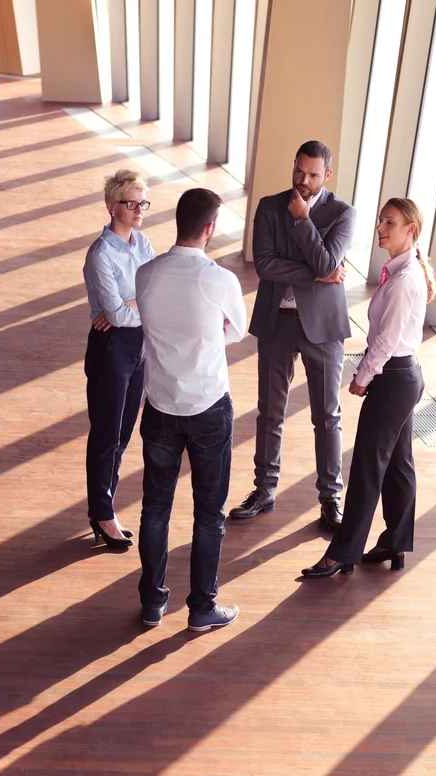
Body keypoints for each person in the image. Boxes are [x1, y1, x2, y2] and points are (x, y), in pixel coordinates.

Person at [301, 197, 436, 578]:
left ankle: (342, 553)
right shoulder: (401, 271)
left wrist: (362, 377)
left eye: (390, 222)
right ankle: (395, 542)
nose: (380, 228)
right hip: (403, 376)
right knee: (397, 463)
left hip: (393, 379)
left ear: (410, 229)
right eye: (381, 221)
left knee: (366, 466)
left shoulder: (404, 280)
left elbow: (386, 341)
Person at [135, 188, 247, 631]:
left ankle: (151, 603)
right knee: (208, 514)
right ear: (210, 228)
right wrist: (209, 327)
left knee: (155, 508)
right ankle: (202, 608)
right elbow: (236, 330)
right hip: (208, 407)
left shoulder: (146, 274)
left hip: (160, 404)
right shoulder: (220, 280)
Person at [229, 140, 356, 530]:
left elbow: (327, 263)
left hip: (323, 328)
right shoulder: (269, 206)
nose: (303, 180)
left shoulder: (343, 214)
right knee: (270, 411)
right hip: (277, 322)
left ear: (327, 175)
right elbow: (265, 266)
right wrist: (318, 273)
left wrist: (302, 221)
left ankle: (331, 499)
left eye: (313, 174)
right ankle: (264, 490)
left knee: (327, 416)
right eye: (299, 170)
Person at [82, 169, 155, 551]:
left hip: (138, 345)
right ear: (112, 206)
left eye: (144, 203)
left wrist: (129, 303)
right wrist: (133, 305)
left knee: (124, 433)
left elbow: (155, 293)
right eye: (132, 203)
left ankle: (104, 505)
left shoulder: (143, 244)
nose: (140, 210)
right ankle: (101, 513)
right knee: (106, 433)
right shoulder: (100, 255)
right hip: (110, 348)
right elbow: (114, 315)